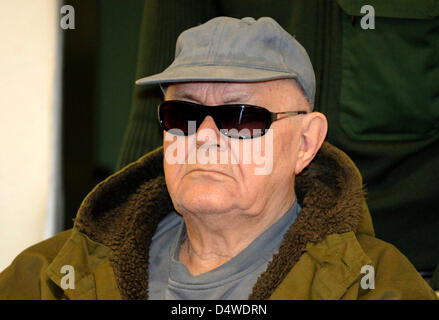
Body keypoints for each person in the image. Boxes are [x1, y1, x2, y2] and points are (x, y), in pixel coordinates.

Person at [0, 16, 436, 300]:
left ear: (305, 143)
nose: (203, 137)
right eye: (182, 113)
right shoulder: (50, 277)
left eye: (240, 118)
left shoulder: (375, 287)